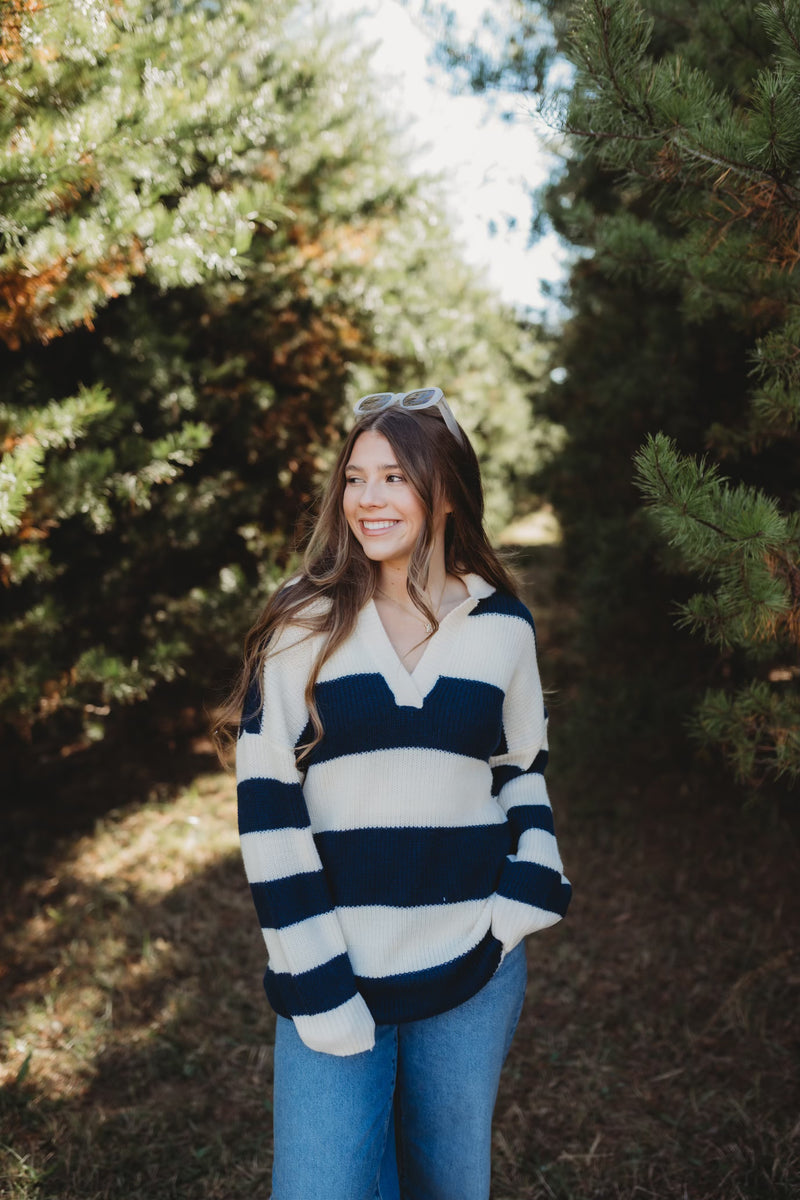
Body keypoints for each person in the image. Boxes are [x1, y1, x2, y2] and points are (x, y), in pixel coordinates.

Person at [220, 387, 571, 1200]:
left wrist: (526, 888)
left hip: (473, 968)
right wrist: (318, 981)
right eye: (354, 478)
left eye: (393, 478)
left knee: (449, 1183)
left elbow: (521, 764)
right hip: (335, 971)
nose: (368, 499)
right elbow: (266, 803)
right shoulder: (302, 623)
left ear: (443, 489)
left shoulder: (503, 628)